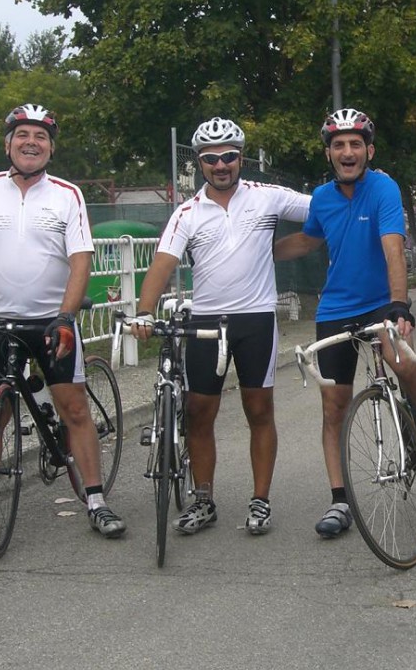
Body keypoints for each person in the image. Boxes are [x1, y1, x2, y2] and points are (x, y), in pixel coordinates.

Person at [0, 103, 126, 542]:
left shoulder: (67, 194)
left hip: (50, 322)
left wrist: (66, 316)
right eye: (22, 135)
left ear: (51, 148)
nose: (31, 143)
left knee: (74, 409)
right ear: (8, 144)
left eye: (41, 137)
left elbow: (81, 260)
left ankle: (96, 500)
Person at [273, 108, 416, 538]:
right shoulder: (322, 198)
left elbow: (393, 248)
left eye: (356, 144)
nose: (347, 151)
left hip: (380, 302)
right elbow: (309, 239)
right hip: (335, 307)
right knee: (334, 404)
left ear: (369, 151)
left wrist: (399, 305)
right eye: (339, 145)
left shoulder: (383, 188)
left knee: (400, 358)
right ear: (329, 153)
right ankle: (339, 500)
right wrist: (257, 250)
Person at [130, 117, 310, 536]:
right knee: (199, 413)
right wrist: (144, 311)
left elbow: (325, 208)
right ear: (199, 163)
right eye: (211, 159)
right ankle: (203, 500)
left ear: (240, 158)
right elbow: (163, 262)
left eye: (228, 156)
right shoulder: (187, 213)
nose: (221, 165)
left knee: (259, 410)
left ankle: (260, 500)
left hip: (256, 319)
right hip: (206, 322)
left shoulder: (267, 197)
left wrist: (304, 241)